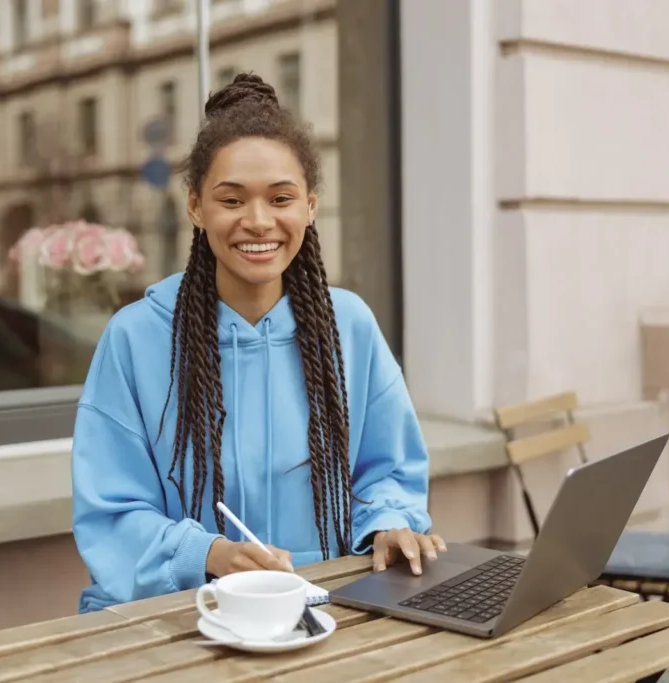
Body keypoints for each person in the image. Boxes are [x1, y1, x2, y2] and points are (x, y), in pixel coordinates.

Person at [71, 73, 444, 613]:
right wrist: (208, 553)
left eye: (281, 198)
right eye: (232, 199)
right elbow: (110, 512)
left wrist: (388, 524)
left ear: (310, 206)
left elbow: (387, 470)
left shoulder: (350, 327)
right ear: (196, 207)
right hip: (179, 614)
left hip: (321, 610)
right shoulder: (135, 337)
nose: (259, 221)